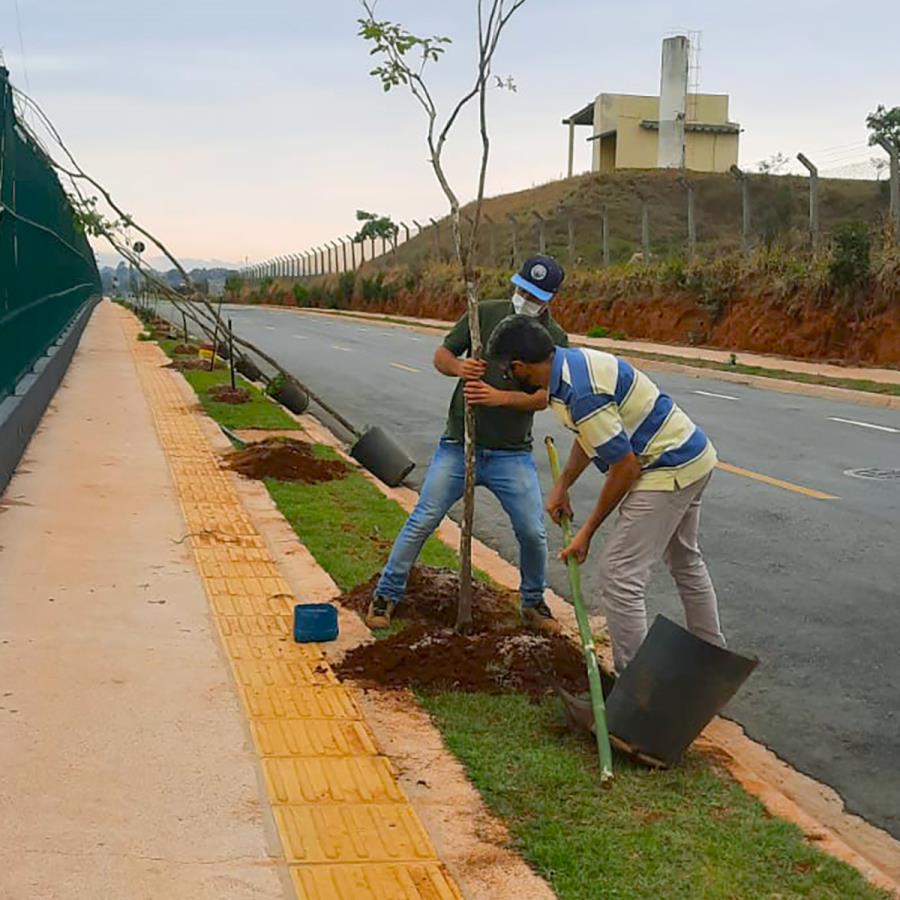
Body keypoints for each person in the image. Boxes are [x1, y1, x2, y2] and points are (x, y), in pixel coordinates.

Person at [487, 315, 726, 672]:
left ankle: (635, 691)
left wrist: (586, 533)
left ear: (519, 366)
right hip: (693, 455)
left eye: (507, 371)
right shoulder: (567, 370)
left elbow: (625, 467)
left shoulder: (580, 392)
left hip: (668, 466)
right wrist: (562, 485)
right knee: (685, 560)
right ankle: (711, 660)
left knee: (619, 575)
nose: (507, 377)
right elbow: (594, 435)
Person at [367, 255, 569, 634]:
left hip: (512, 453)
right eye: (523, 289)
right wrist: (460, 368)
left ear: (551, 298)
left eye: (536, 295)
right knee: (423, 518)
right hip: (460, 445)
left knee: (531, 531)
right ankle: (387, 592)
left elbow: (546, 396)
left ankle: (532, 602)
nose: (525, 298)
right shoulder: (484, 313)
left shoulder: (554, 339)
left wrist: (498, 397)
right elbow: (442, 355)